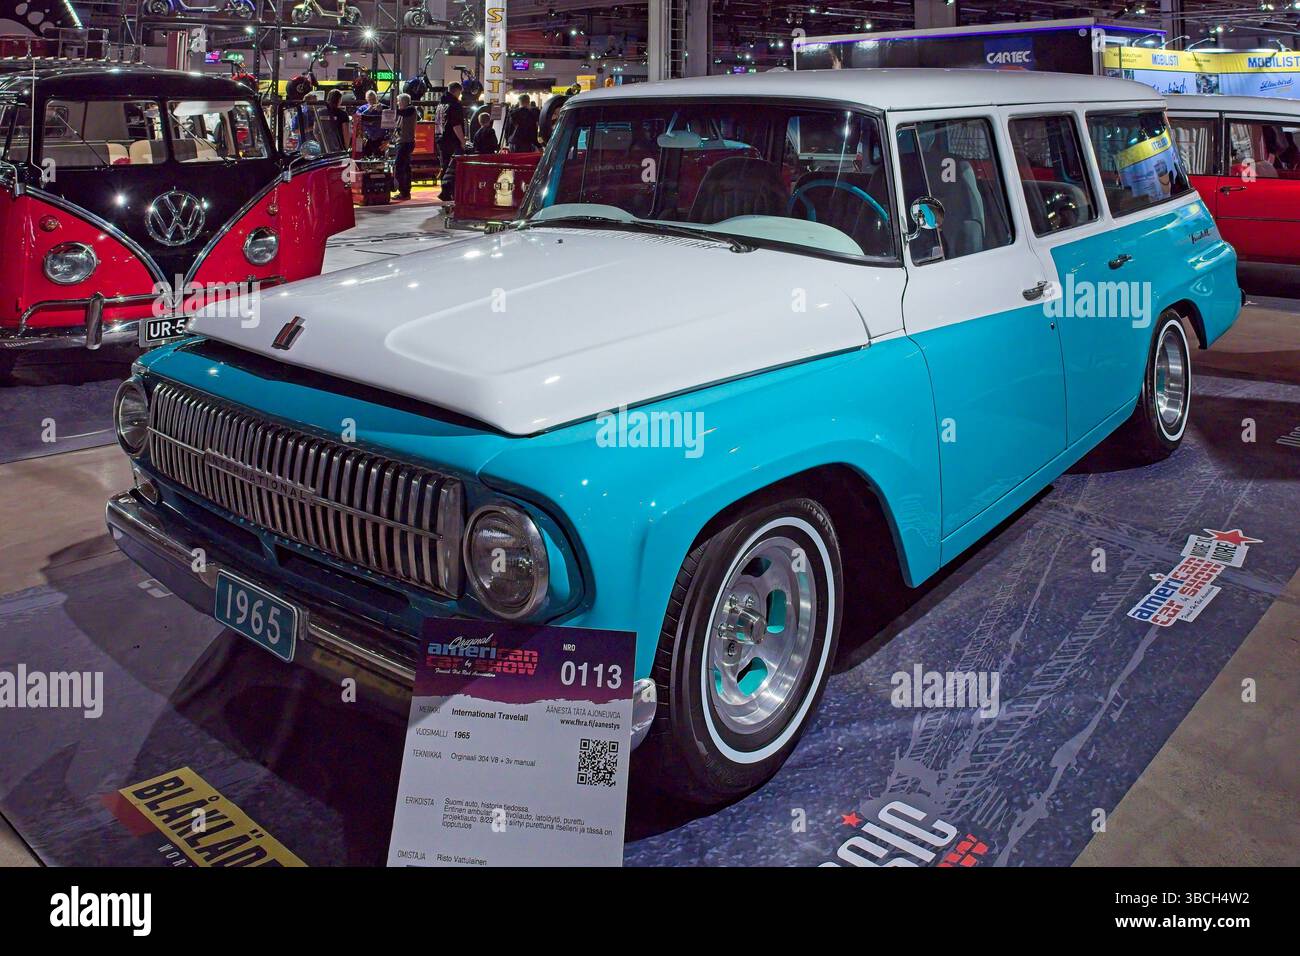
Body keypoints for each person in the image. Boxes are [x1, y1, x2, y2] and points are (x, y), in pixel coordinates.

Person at [434, 82, 466, 201]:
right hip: (452, 140)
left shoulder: (441, 103)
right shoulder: (454, 105)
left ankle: (444, 190)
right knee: (453, 167)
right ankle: (450, 191)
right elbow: (456, 124)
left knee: (444, 165)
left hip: (440, 138)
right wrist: (462, 140)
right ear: (457, 91)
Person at [393, 92, 417, 200]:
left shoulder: (411, 109)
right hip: (402, 142)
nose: (398, 104)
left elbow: (402, 112)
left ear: (404, 102)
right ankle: (405, 191)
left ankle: (404, 191)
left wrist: (388, 109)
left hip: (406, 142)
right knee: (405, 167)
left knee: (399, 167)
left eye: (399, 101)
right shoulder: (402, 112)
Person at [355, 90, 389, 159]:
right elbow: (357, 118)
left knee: (380, 159)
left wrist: (382, 111)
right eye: (369, 99)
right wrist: (367, 111)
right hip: (366, 138)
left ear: (377, 98)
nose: (372, 101)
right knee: (365, 158)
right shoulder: (363, 108)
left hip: (380, 138)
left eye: (373, 99)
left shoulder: (383, 107)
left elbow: (391, 118)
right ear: (366, 99)